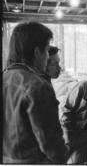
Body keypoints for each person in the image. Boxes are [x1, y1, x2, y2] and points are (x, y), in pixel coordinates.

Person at [2, 21, 67, 163]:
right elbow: (51, 142)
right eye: (46, 50)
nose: (47, 57)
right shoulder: (37, 86)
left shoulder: (5, 76)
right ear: (37, 52)